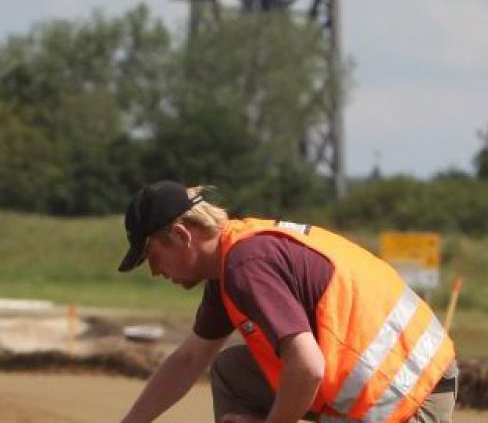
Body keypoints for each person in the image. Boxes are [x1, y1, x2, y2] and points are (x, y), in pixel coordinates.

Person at [118, 181, 458, 423]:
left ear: (181, 235)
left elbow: (308, 367)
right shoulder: (230, 266)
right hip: (394, 386)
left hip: (408, 400)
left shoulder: (245, 264)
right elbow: (190, 359)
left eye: (152, 256)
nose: (154, 271)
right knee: (231, 371)